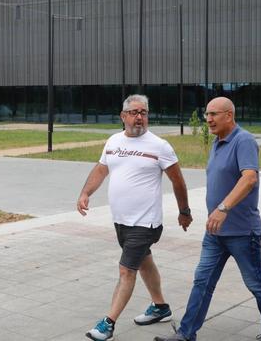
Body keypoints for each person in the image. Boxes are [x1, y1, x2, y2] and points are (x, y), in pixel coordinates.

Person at [156, 96, 261, 341]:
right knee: (202, 281)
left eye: (214, 114)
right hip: (215, 232)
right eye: (206, 114)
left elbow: (249, 179)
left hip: (242, 232)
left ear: (229, 115)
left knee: (256, 283)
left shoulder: (243, 140)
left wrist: (223, 208)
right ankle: (186, 334)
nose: (208, 119)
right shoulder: (217, 142)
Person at [78, 94, 193, 341]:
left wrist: (184, 212)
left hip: (145, 222)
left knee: (126, 270)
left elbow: (178, 182)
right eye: (134, 112)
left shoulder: (159, 146)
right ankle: (161, 307)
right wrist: (86, 192)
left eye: (143, 112)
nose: (139, 117)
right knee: (143, 262)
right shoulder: (113, 141)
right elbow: (101, 169)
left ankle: (107, 324)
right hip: (121, 220)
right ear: (123, 116)